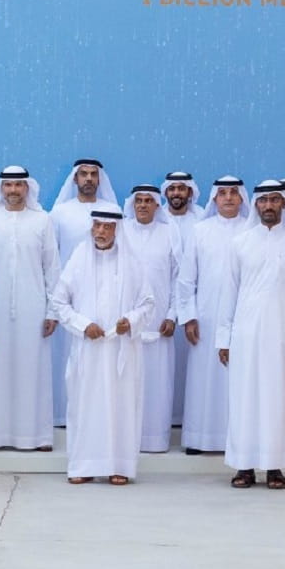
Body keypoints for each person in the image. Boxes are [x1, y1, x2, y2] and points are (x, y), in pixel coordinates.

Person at [220, 182, 285, 490]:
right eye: (263, 200)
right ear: (256, 204)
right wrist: (224, 339)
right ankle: (244, 466)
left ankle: (275, 466)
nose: (268, 205)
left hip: (282, 336)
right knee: (245, 399)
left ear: (284, 204)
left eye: (274, 200)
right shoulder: (240, 243)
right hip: (245, 336)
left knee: (278, 399)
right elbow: (228, 293)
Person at [50, 208, 152, 485]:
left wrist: (130, 321)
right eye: (97, 226)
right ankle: (83, 465)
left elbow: (147, 303)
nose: (101, 232)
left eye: (108, 227)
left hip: (122, 350)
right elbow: (59, 301)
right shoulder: (78, 258)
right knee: (85, 405)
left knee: (122, 406)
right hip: (89, 350)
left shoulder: (132, 262)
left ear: (117, 230)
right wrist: (83, 325)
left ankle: (120, 466)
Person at [0, 165, 58, 451]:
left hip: (34, 309)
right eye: (8, 185)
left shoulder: (42, 220)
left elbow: (52, 268)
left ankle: (37, 437)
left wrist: (53, 311)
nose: (13, 190)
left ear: (27, 187)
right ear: (1, 188)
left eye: (18, 185)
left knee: (33, 369)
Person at [178, 175, 249, 455]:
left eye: (233, 192)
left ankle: (238, 440)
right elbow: (186, 279)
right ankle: (200, 439)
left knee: (238, 378)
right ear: (214, 199)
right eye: (223, 193)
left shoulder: (251, 230)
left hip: (243, 315)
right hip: (206, 316)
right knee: (203, 377)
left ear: (242, 198)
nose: (228, 197)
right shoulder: (200, 230)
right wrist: (189, 316)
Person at [48, 159, 115, 428]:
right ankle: (64, 415)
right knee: (66, 356)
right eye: (83, 174)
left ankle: (97, 416)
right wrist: (53, 307)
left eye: (93, 174)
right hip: (68, 299)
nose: (88, 179)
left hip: (105, 295)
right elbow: (51, 258)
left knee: (101, 358)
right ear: (75, 179)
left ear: (100, 179)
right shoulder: (60, 213)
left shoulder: (111, 210)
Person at [121, 185, 180, 453]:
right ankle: (125, 440)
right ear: (133, 205)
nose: (143, 205)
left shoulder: (169, 232)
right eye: (139, 201)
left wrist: (172, 315)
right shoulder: (121, 231)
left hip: (159, 324)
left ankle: (155, 440)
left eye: (149, 201)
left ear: (157, 205)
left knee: (157, 384)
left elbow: (179, 277)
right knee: (126, 384)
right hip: (127, 324)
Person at [159, 171, 201, 427]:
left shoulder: (202, 219)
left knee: (191, 365)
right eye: (172, 188)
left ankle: (189, 418)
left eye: (181, 188)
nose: (176, 193)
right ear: (165, 192)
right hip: (162, 304)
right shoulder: (157, 218)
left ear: (190, 192)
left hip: (197, 306)